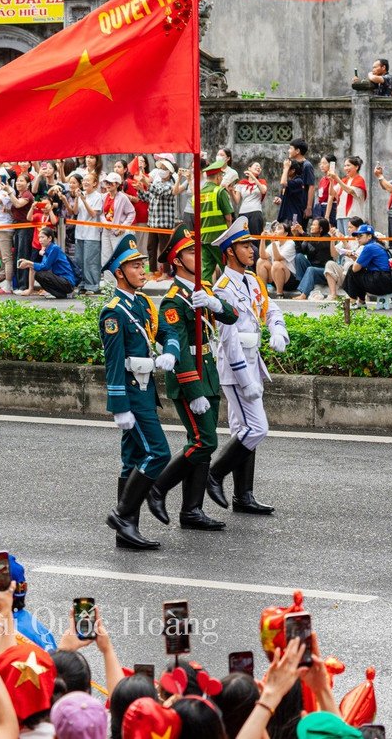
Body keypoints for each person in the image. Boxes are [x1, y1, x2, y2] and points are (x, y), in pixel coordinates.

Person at [146, 224, 238, 532]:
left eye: (197, 251)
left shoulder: (203, 290)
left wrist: (214, 303)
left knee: (203, 444)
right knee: (205, 440)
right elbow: (180, 348)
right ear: (176, 260)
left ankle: (192, 510)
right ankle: (158, 488)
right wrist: (194, 389)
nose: (196, 257)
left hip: (208, 370)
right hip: (190, 378)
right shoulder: (173, 301)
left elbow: (231, 316)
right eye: (189, 252)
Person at [207, 218, 288, 516]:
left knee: (243, 430)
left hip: (253, 362)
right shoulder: (224, 288)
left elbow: (270, 308)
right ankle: (214, 474)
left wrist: (278, 328)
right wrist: (246, 379)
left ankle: (244, 496)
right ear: (229, 252)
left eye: (251, 243)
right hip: (236, 367)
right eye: (244, 245)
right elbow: (228, 341)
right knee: (257, 428)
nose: (252, 249)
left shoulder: (252, 280)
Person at [101, 235, 176, 550]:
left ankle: (126, 531)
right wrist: (119, 406)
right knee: (159, 453)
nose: (142, 270)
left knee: (132, 459)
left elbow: (166, 331)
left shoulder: (143, 303)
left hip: (146, 392)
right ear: (120, 272)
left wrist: (170, 350)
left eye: (142, 264)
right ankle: (122, 514)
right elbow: (114, 363)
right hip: (132, 395)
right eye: (135, 266)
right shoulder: (113, 312)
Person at [340, 224, 392, 309]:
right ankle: (361, 302)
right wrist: (354, 257)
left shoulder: (369, 247)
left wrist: (354, 257)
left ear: (369, 236)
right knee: (361, 273)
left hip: (380, 282)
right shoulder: (378, 244)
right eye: (357, 236)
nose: (358, 238)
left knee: (351, 270)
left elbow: (355, 269)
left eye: (361, 235)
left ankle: (352, 301)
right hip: (388, 282)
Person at [19, 226, 76, 299]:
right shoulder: (47, 249)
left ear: (49, 238)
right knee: (38, 273)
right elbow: (40, 266)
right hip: (60, 280)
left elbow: (45, 266)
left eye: (42, 237)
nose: (40, 240)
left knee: (40, 274)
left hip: (67, 282)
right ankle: (59, 294)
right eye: (39, 238)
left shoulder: (54, 248)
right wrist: (30, 264)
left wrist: (29, 263)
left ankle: (65, 292)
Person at [275, 140, 315, 230]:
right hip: (289, 206)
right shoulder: (291, 165)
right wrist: (280, 197)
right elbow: (286, 186)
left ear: (297, 151)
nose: (288, 150)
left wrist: (309, 207)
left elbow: (311, 186)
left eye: (290, 148)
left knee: (296, 232)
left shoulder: (307, 165)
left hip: (300, 207)